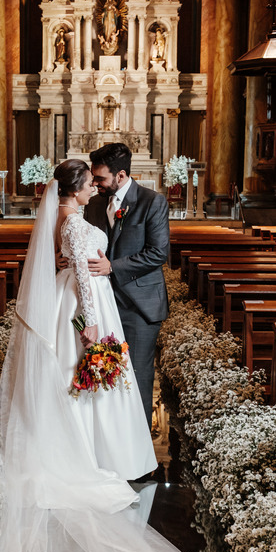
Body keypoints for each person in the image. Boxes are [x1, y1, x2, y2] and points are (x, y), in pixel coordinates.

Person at [0, 159, 235, 552]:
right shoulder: (75, 220)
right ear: (79, 187)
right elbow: (80, 269)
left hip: (78, 302)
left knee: (75, 383)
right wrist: (88, 324)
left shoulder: (68, 216)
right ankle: (91, 451)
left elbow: (85, 260)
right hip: (84, 306)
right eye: (89, 184)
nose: (94, 189)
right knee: (88, 381)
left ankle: (85, 444)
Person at [82, 142, 170, 427]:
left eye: (100, 178)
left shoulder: (152, 201)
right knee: (102, 371)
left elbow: (158, 253)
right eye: (93, 179)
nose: (95, 184)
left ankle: (141, 456)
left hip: (139, 305)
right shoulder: (94, 205)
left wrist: (113, 267)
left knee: (138, 378)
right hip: (102, 303)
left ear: (120, 176)